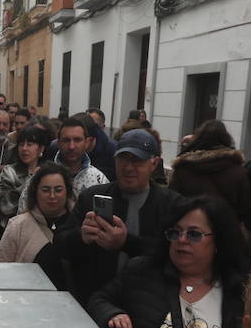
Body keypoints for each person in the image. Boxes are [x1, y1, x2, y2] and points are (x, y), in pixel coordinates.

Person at [88, 195, 246, 328]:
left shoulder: (239, 291)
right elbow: (99, 300)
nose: (181, 240)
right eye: (175, 233)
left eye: (194, 235)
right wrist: (111, 314)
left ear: (218, 241)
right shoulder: (142, 272)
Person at [42, 129, 181, 303]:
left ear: (154, 164)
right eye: (123, 159)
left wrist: (126, 243)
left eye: (137, 160)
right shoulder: (91, 197)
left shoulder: (171, 205)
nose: (129, 167)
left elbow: (175, 254)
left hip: (150, 305)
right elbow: (60, 243)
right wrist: (81, 236)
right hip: (93, 304)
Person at [167, 120, 251, 236]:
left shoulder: (184, 169)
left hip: (190, 232)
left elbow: (172, 203)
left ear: (198, 139)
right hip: (226, 233)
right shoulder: (237, 170)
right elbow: (244, 208)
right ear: (226, 139)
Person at [0, 163, 74, 263]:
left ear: (67, 191)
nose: (52, 196)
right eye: (45, 190)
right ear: (35, 192)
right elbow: (1, 268)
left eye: (58, 190)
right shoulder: (18, 226)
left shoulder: (78, 224)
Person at [0, 125, 49, 224]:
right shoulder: (10, 172)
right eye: (21, 144)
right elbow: (6, 207)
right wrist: (31, 181)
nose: (24, 149)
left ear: (41, 149)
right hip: (14, 229)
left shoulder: (49, 172)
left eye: (29, 144)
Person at [53, 116, 110, 201]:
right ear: (58, 143)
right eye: (66, 140)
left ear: (87, 143)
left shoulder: (99, 180)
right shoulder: (42, 176)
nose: (71, 146)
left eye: (77, 140)